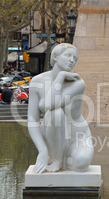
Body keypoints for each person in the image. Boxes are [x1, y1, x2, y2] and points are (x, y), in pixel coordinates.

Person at [28, 43, 94, 173]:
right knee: (55, 114)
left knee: (81, 164)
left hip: (77, 135)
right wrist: (42, 150)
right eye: (68, 55)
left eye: (75, 58)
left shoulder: (78, 83)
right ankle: (56, 158)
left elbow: (49, 104)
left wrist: (60, 77)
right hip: (52, 135)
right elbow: (32, 118)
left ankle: (62, 158)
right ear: (55, 57)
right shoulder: (37, 81)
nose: (72, 60)